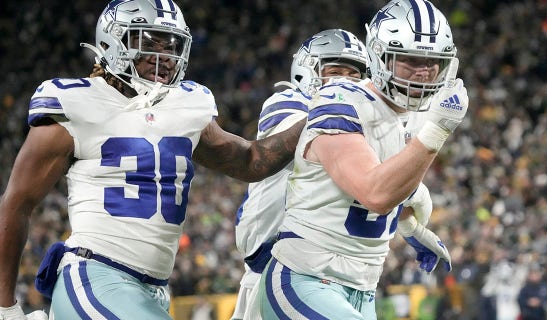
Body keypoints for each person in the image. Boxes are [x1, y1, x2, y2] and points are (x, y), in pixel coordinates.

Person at [0, 0, 304, 319]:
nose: (165, 54)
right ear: (112, 41)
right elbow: (16, 203)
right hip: (94, 275)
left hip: (153, 291)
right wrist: (6, 305)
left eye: (171, 43)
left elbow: (250, 161)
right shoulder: (75, 102)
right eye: (149, 42)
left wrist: (316, 118)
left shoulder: (187, 105)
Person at [257, 0, 469, 318]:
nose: (424, 72)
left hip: (362, 291)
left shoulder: (415, 118)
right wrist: (436, 132)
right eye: (410, 60)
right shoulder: (340, 99)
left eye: (432, 61)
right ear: (379, 56)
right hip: (304, 279)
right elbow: (374, 193)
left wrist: (410, 226)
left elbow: (391, 181)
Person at [230, 28, 370, 320]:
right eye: (335, 72)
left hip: (332, 274)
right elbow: (314, 132)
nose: (344, 82)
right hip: (274, 268)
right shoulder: (289, 102)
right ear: (305, 73)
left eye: (353, 75)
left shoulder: (367, 121)